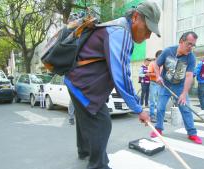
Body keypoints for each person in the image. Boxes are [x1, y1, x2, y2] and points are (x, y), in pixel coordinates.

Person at [64, 1, 160, 169]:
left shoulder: (118, 29)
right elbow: (122, 76)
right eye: (148, 29)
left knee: (85, 116)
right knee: (102, 123)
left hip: (76, 80)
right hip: (83, 84)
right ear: (136, 17)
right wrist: (138, 108)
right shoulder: (120, 32)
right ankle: (98, 165)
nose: (148, 37)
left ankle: (84, 150)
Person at [150, 31, 203, 144]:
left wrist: (184, 94)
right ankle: (158, 129)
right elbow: (156, 64)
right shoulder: (168, 51)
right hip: (165, 85)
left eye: (193, 45)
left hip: (180, 87)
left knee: (186, 109)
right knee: (160, 107)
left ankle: (192, 133)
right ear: (181, 42)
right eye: (189, 44)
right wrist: (158, 76)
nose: (191, 47)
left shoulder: (191, 58)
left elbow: (189, 76)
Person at [146, 50, 162, 122]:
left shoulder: (162, 64)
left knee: (160, 101)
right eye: (161, 56)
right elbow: (148, 74)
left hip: (161, 84)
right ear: (157, 56)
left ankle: (159, 117)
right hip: (153, 83)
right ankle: (152, 116)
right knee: (152, 101)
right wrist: (158, 75)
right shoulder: (152, 63)